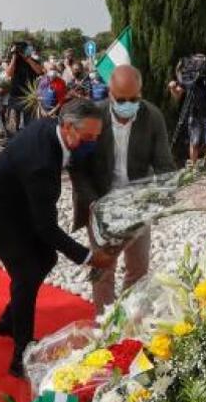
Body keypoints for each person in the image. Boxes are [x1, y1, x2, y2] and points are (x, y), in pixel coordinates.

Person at [0, 98, 113, 376]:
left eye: (96, 137)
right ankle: (22, 354)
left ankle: (9, 320)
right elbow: (46, 227)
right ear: (68, 127)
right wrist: (89, 256)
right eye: (87, 138)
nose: (92, 144)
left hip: (14, 207)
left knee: (45, 258)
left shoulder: (52, 130)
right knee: (28, 269)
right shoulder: (41, 162)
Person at [70, 66, 176, 309]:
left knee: (138, 268)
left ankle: (126, 324)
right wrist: (92, 202)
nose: (128, 104)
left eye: (134, 99)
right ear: (110, 93)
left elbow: (164, 164)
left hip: (138, 202)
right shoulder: (94, 116)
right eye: (121, 100)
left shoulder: (152, 117)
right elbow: (79, 168)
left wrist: (168, 194)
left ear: (141, 93)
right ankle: (103, 325)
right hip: (101, 202)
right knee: (102, 269)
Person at [170, 54, 206, 172]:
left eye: (201, 61)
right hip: (194, 112)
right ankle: (194, 169)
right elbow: (178, 95)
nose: (199, 63)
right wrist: (173, 88)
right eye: (196, 61)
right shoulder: (190, 77)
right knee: (194, 141)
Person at [7, 42, 43, 129]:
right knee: (14, 121)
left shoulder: (33, 60)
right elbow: (9, 73)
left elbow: (39, 71)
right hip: (15, 94)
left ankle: (28, 136)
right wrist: (14, 57)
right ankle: (14, 137)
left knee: (29, 121)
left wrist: (27, 59)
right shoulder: (14, 61)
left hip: (29, 95)